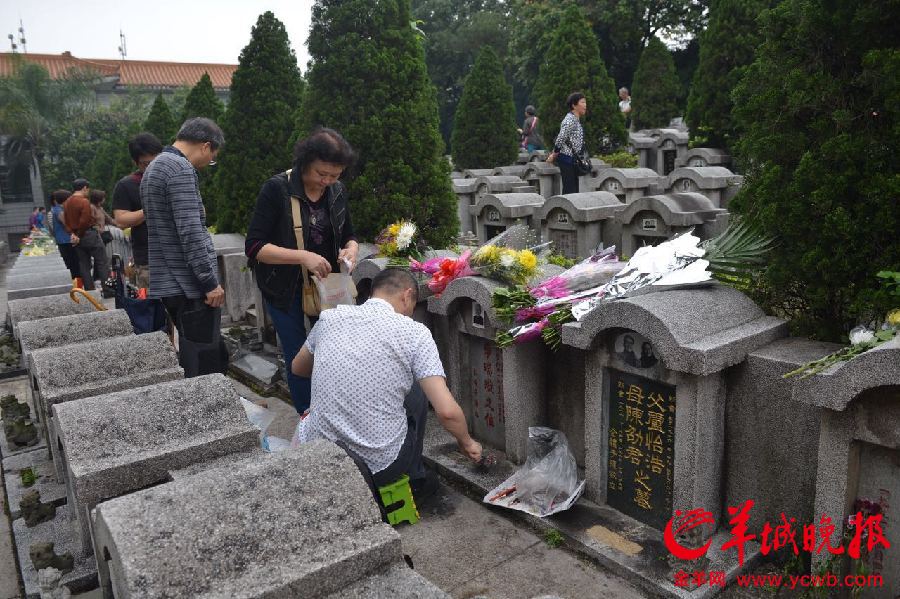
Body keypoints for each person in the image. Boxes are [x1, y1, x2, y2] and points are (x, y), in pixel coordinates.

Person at [292, 269, 482, 501]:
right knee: (417, 387)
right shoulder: (414, 332)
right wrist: (467, 442)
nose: (410, 313)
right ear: (407, 295)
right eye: (412, 306)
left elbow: (298, 368)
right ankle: (414, 479)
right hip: (379, 466)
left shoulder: (330, 318)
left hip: (320, 455)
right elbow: (447, 411)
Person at [245, 127, 359, 414]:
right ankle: (307, 414)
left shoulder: (336, 191)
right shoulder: (277, 189)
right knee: (298, 351)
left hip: (328, 284)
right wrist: (302, 257)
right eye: (322, 174)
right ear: (305, 162)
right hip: (284, 286)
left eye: (335, 175)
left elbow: (350, 234)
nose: (327, 181)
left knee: (335, 347)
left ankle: (335, 410)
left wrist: (351, 250)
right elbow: (255, 247)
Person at [141, 117, 225, 377]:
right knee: (206, 362)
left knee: (194, 353)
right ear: (205, 146)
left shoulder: (155, 167)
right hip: (189, 285)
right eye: (212, 158)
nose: (207, 165)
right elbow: (190, 231)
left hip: (170, 281)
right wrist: (209, 281)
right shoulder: (179, 169)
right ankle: (210, 414)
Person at [113, 132, 163, 290]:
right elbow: (121, 220)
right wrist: (150, 209)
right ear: (136, 162)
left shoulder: (172, 177)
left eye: (157, 161)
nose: (153, 167)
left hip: (180, 256)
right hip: (149, 260)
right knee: (155, 308)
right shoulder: (127, 185)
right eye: (146, 164)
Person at [63, 178, 109, 290]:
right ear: (84, 188)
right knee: (102, 261)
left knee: (84, 264)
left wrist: (73, 234)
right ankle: (107, 288)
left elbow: (66, 221)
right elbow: (85, 220)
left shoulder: (67, 202)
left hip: (75, 237)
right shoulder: (84, 201)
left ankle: (89, 290)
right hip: (88, 234)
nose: (88, 192)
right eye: (87, 189)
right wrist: (79, 234)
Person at [546, 92, 587, 194]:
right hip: (567, 159)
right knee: (569, 190)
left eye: (585, 102)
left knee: (573, 189)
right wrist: (555, 153)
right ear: (574, 105)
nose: (585, 105)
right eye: (582, 102)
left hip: (573, 160)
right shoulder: (570, 120)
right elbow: (560, 138)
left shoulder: (575, 119)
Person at [49, 190, 79, 279]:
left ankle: (77, 285)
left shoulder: (58, 209)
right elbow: (68, 224)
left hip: (65, 240)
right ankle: (77, 287)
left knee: (74, 265)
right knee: (74, 266)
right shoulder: (59, 211)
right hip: (66, 241)